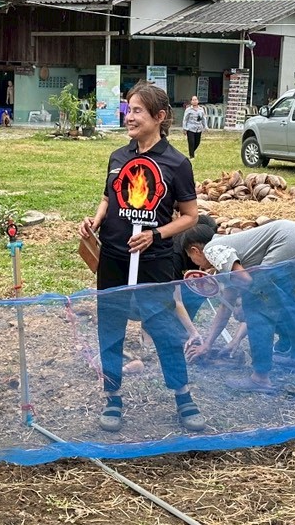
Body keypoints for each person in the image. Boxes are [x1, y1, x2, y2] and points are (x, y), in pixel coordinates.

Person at [79, 81, 202, 432]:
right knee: (111, 329)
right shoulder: (119, 157)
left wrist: (155, 235)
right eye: (128, 109)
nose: (128, 117)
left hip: (154, 262)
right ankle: (113, 398)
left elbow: (190, 216)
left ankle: (183, 396)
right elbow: (109, 196)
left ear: (159, 117)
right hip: (114, 260)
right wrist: (96, 219)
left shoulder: (177, 164)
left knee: (164, 328)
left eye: (137, 111)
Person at [183, 220, 295, 394]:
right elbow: (225, 308)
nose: (195, 264)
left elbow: (247, 281)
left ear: (195, 250)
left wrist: (247, 304)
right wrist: (208, 344)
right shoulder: (232, 251)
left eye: (191, 258)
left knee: (257, 308)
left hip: (291, 243)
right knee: (289, 305)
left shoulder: (212, 248)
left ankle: (260, 378)